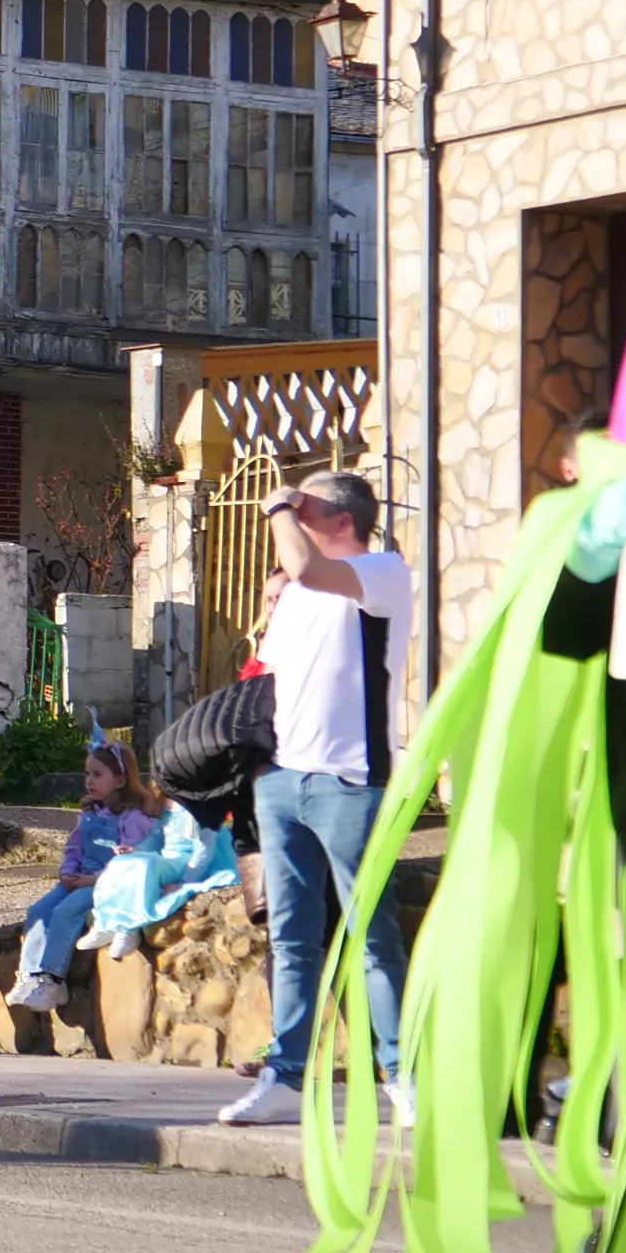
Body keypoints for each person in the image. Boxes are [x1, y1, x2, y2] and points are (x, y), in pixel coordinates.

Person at [218, 469, 415, 1129]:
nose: (291, 520)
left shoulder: (381, 571)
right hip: (282, 779)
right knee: (293, 938)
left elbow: (303, 567)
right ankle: (287, 1077)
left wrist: (279, 499)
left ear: (340, 519)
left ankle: (400, 1072)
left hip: (349, 778)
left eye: (305, 510)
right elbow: (268, 677)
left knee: (371, 934)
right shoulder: (298, 594)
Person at [4, 737, 161, 1012]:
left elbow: (131, 862)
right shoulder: (89, 815)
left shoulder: (132, 819)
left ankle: (53, 978)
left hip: (106, 884)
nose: (89, 780)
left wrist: (93, 880)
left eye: (98, 775)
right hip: (79, 879)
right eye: (88, 774)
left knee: (67, 911)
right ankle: (30, 974)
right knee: (38, 911)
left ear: (121, 780)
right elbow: (74, 848)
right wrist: (68, 872)